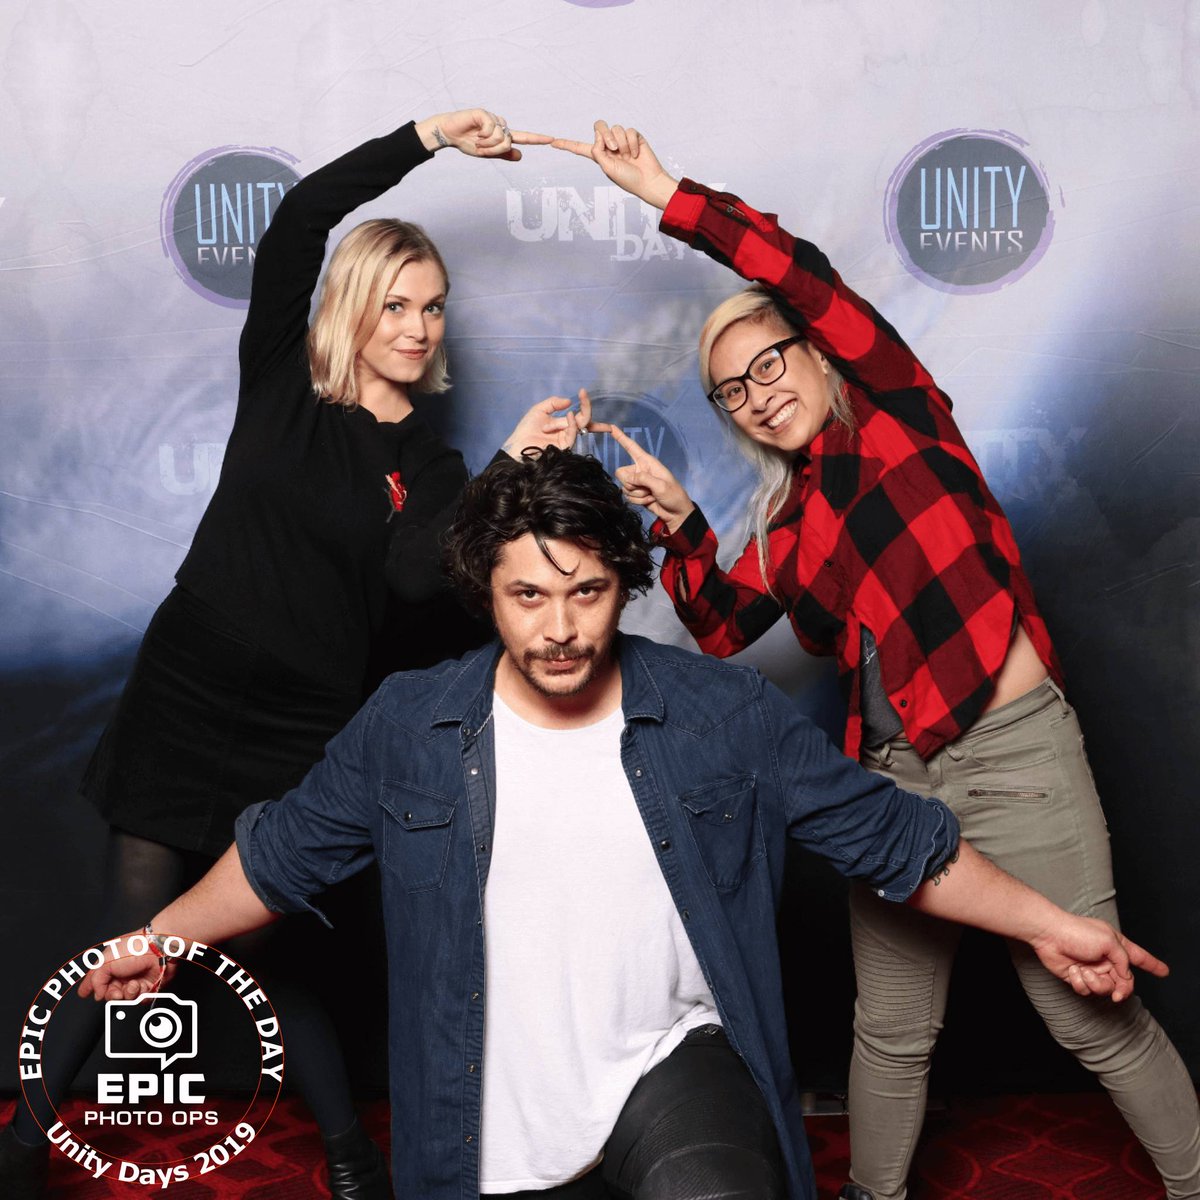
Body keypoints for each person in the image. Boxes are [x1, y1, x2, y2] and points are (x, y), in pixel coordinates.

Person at [78, 447, 1170, 1200]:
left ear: (624, 583)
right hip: (483, 1105)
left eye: (587, 593)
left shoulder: (718, 712)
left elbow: (895, 838)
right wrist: (158, 937)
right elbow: (279, 857)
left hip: (669, 1065)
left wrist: (1047, 924)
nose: (559, 629)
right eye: (528, 597)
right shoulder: (410, 726)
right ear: (486, 591)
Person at [548, 121, 1200, 1200]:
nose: (759, 392)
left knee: (1088, 1010)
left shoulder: (898, 414)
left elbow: (796, 268)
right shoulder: (791, 518)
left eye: (770, 361)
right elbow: (723, 625)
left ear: (815, 350)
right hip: (895, 782)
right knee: (891, 1031)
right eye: (732, 389)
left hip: (1015, 757)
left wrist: (665, 191)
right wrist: (679, 520)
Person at [0, 107, 591, 1200]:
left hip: (301, 725)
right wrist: (425, 137)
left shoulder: (434, 462)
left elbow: (414, 583)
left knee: (271, 946)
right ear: (355, 306)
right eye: (397, 304)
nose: (418, 327)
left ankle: (353, 1156)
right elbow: (298, 219)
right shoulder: (281, 378)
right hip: (187, 689)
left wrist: (506, 473)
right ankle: (24, 1149)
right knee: (128, 931)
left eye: (434, 307)